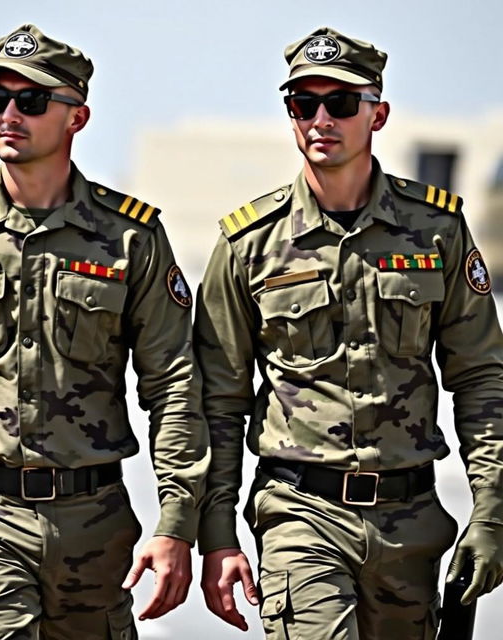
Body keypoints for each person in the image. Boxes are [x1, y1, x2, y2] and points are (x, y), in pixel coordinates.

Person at [0, 24, 209, 639]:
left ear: (77, 116)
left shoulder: (131, 239)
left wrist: (177, 522)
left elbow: (174, 384)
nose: (9, 114)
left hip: (96, 529)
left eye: (32, 100)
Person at [195, 26, 503, 639]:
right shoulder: (247, 244)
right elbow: (218, 401)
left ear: (377, 114)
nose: (319, 120)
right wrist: (217, 533)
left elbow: (479, 377)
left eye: (339, 103)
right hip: (299, 515)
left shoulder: (436, 231)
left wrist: (492, 509)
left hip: (410, 523)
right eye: (301, 104)